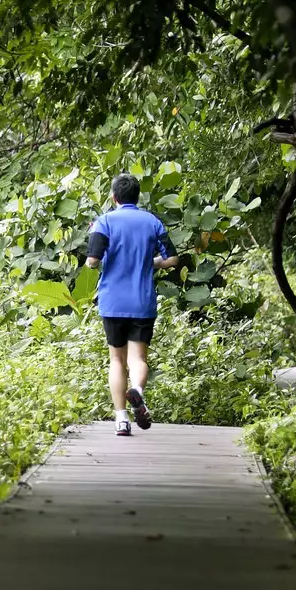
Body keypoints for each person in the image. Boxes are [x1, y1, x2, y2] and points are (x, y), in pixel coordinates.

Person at [85, 172, 186, 436]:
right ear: (137, 196)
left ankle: (121, 419)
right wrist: (150, 262)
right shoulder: (152, 222)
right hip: (142, 301)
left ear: (113, 196)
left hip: (113, 302)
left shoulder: (103, 222)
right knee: (138, 358)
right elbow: (173, 259)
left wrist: (94, 258)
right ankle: (137, 391)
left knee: (116, 360)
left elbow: (93, 261)